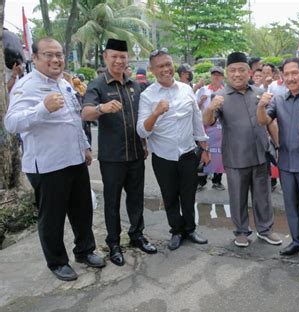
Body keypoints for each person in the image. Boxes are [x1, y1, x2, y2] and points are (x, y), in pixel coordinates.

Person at [4, 37, 105, 281]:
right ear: (35, 58)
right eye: (48, 54)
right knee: (53, 217)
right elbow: (11, 123)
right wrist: (42, 108)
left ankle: (85, 250)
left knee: (82, 211)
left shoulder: (65, 84)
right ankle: (57, 262)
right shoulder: (25, 86)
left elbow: (73, 120)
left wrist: (86, 147)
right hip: (48, 166)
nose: (56, 59)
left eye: (59, 54)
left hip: (74, 160)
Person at [82, 39, 157, 267]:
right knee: (112, 202)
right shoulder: (98, 85)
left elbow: (140, 118)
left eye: (122, 57)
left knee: (136, 199)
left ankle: (137, 235)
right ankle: (114, 243)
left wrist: (144, 144)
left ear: (127, 59)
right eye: (114, 56)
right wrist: (101, 108)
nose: (119, 60)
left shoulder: (134, 85)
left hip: (135, 154)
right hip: (112, 158)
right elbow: (85, 113)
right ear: (106, 57)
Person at [202, 52, 282, 248]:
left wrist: (278, 145)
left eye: (241, 70)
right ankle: (241, 231)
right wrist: (211, 108)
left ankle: (265, 230)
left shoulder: (258, 93)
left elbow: (269, 121)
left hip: (260, 154)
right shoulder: (220, 96)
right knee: (237, 197)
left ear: (249, 72)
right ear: (227, 73)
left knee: (263, 196)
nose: (237, 74)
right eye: (233, 70)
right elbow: (208, 121)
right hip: (235, 156)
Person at [137, 48, 209, 251]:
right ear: (152, 70)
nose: (166, 69)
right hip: (163, 157)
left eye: (168, 64)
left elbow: (196, 118)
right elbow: (142, 131)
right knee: (170, 196)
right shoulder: (147, 96)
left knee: (189, 194)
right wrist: (156, 113)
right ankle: (176, 231)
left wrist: (204, 144)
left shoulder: (186, 89)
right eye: (160, 66)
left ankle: (190, 229)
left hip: (188, 153)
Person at [256, 57, 299, 259]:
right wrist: (260, 106)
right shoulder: (279, 99)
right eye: (287, 74)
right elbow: (264, 121)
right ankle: (297, 241)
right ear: (282, 77)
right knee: (290, 204)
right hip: (285, 161)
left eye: (295, 73)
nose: (291, 77)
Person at [196, 66, 226, 191]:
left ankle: (217, 181)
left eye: (218, 75)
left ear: (222, 77)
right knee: (203, 152)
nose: (216, 77)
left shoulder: (225, 91)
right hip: (204, 126)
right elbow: (195, 107)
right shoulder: (203, 90)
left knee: (218, 153)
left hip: (220, 127)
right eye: (214, 74)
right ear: (211, 76)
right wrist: (200, 103)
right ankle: (201, 181)